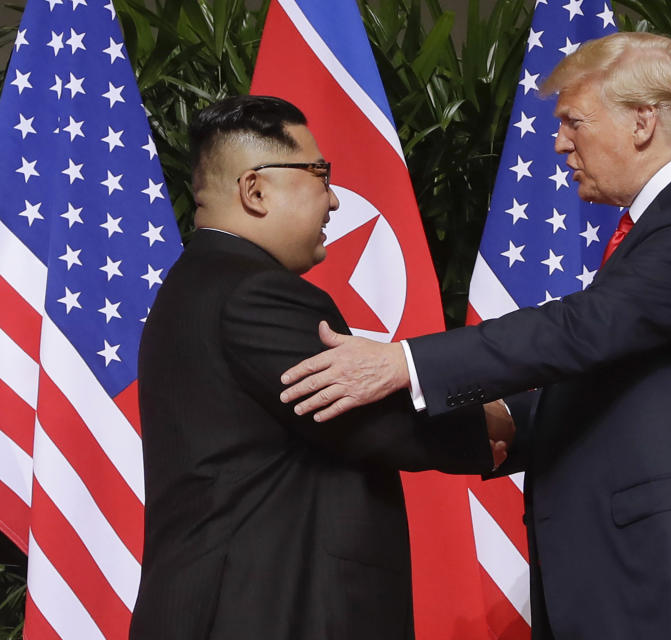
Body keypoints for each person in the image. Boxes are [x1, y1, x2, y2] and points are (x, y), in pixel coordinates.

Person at [280, 32, 671, 640]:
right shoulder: (668, 222)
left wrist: (402, 363)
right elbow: (623, 372)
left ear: (643, 121)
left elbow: (584, 328)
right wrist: (507, 417)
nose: (560, 143)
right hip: (643, 574)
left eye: (574, 122)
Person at [130, 95, 509, 640]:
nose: (333, 200)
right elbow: (376, 419)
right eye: (319, 174)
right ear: (254, 190)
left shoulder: (200, 284)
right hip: (263, 615)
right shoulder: (253, 292)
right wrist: (507, 422)